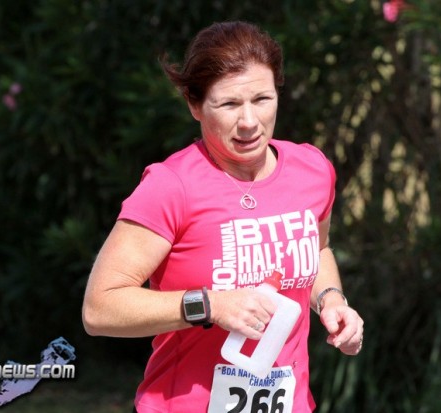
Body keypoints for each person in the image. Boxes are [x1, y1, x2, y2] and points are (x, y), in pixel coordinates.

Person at [82, 20, 364, 413]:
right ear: (194, 105)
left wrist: (331, 301)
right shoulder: (172, 185)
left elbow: (316, 250)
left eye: (262, 99)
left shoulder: (312, 171)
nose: (249, 121)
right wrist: (211, 305)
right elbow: (100, 309)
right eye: (229, 104)